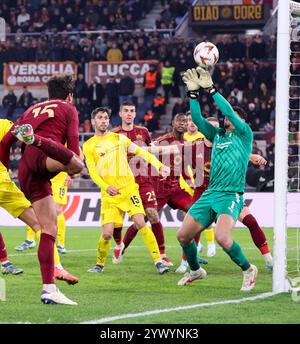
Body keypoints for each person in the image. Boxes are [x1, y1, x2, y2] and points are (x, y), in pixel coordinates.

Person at [0, 74, 84, 305]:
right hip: (43, 153)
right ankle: (36, 139)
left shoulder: (31, 109)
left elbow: (6, 142)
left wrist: (6, 167)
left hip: (27, 168)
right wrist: (71, 167)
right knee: (78, 163)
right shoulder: (68, 108)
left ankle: (49, 290)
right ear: (69, 95)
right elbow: (74, 148)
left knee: (48, 227)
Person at [177, 67, 257, 291]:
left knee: (222, 237)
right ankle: (195, 270)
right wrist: (193, 94)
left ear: (241, 121)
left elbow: (230, 112)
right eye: (224, 116)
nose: (225, 118)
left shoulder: (244, 135)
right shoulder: (218, 135)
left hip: (231, 194)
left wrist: (211, 90)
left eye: (231, 117)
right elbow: (197, 119)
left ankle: (248, 269)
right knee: (183, 236)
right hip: (210, 193)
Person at [83, 107, 170, 274]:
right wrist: (106, 187)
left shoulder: (119, 139)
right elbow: (92, 172)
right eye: (100, 118)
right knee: (107, 234)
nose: (103, 120)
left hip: (129, 190)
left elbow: (142, 152)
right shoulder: (88, 145)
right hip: (109, 194)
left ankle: (158, 261)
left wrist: (159, 166)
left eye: (106, 118)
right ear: (93, 121)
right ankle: (99, 264)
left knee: (141, 222)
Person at [111, 101, 173, 267]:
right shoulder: (114, 134)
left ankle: (162, 255)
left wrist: (158, 169)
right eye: (126, 111)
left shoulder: (143, 132)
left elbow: (150, 152)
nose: (129, 114)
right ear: (120, 113)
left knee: (152, 214)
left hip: (144, 180)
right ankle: (119, 247)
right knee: (121, 221)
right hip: (123, 182)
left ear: (135, 113)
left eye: (132, 111)